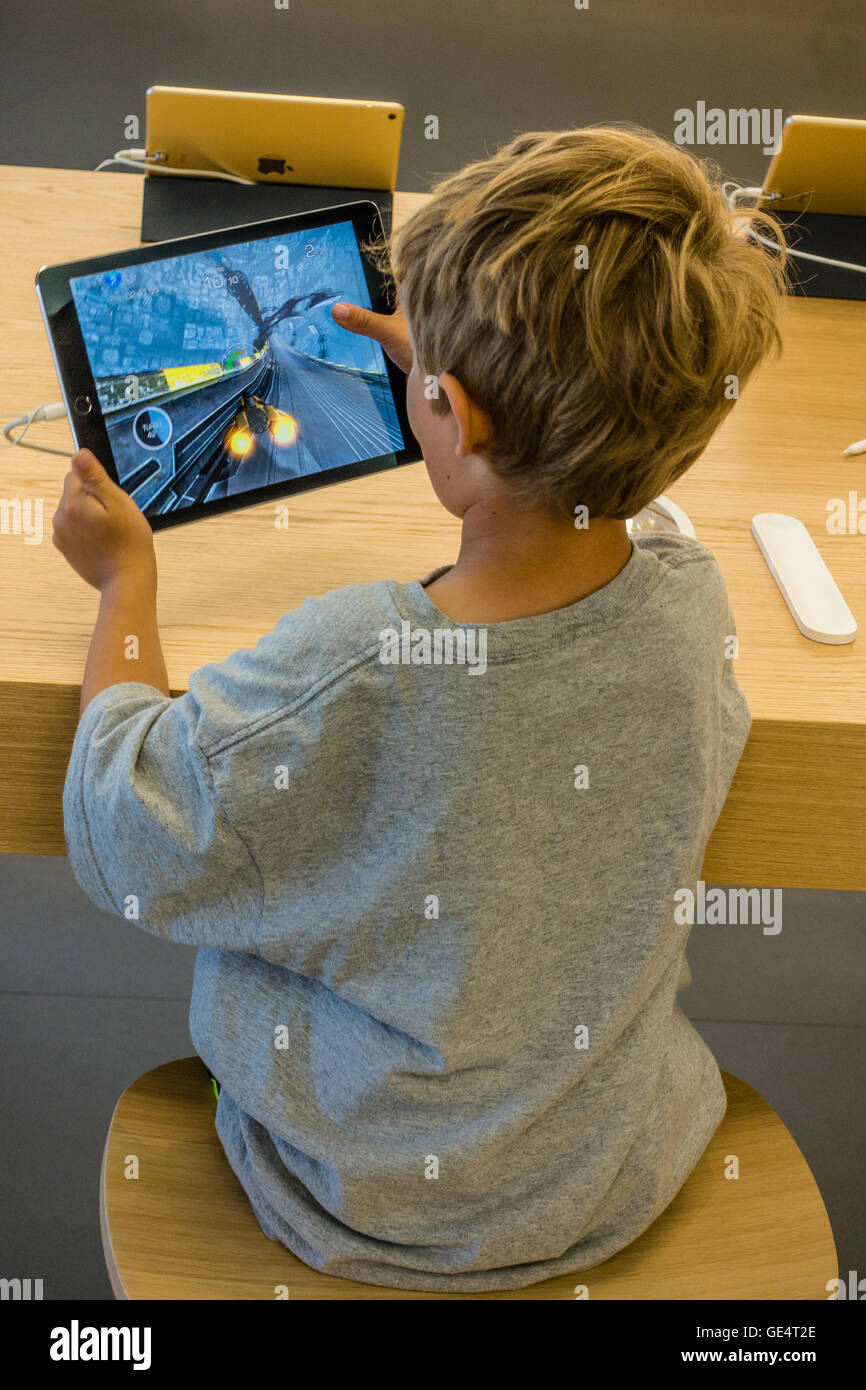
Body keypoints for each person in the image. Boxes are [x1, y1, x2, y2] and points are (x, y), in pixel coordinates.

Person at [53, 125, 786, 1293]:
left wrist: (124, 584)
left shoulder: (358, 663)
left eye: (426, 387)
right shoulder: (688, 608)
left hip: (361, 1201)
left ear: (451, 411)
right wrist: (467, 380)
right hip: (600, 1172)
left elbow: (123, 827)